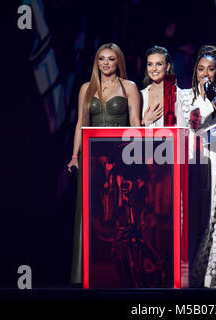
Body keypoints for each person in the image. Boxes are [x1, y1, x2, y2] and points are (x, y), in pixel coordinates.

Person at [67, 43, 141, 286]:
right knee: (89, 213)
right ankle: (85, 272)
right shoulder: (86, 88)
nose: (106, 63)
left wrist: (136, 150)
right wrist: (75, 156)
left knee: (116, 213)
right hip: (91, 158)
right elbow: (81, 122)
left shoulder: (129, 87)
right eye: (101, 59)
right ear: (96, 62)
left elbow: (134, 123)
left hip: (118, 158)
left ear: (118, 61)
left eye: (111, 59)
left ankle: (119, 271)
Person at [179, 45, 216, 288]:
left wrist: (210, 100)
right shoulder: (186, 98)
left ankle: (208, 271)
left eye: (210, 69)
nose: (205, 74)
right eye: (201, 69)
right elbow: (189, 127)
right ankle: (185, 268)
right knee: (190, 214)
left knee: (213, 214)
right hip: (192, 160)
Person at [140, 45, 185, 127]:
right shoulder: (141, 95)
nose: (154, 69)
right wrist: (144, 122)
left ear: (167, 67)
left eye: (159, 64)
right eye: (150, 64)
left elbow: (184, 128)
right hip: (147, 139)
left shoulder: (180, 95)